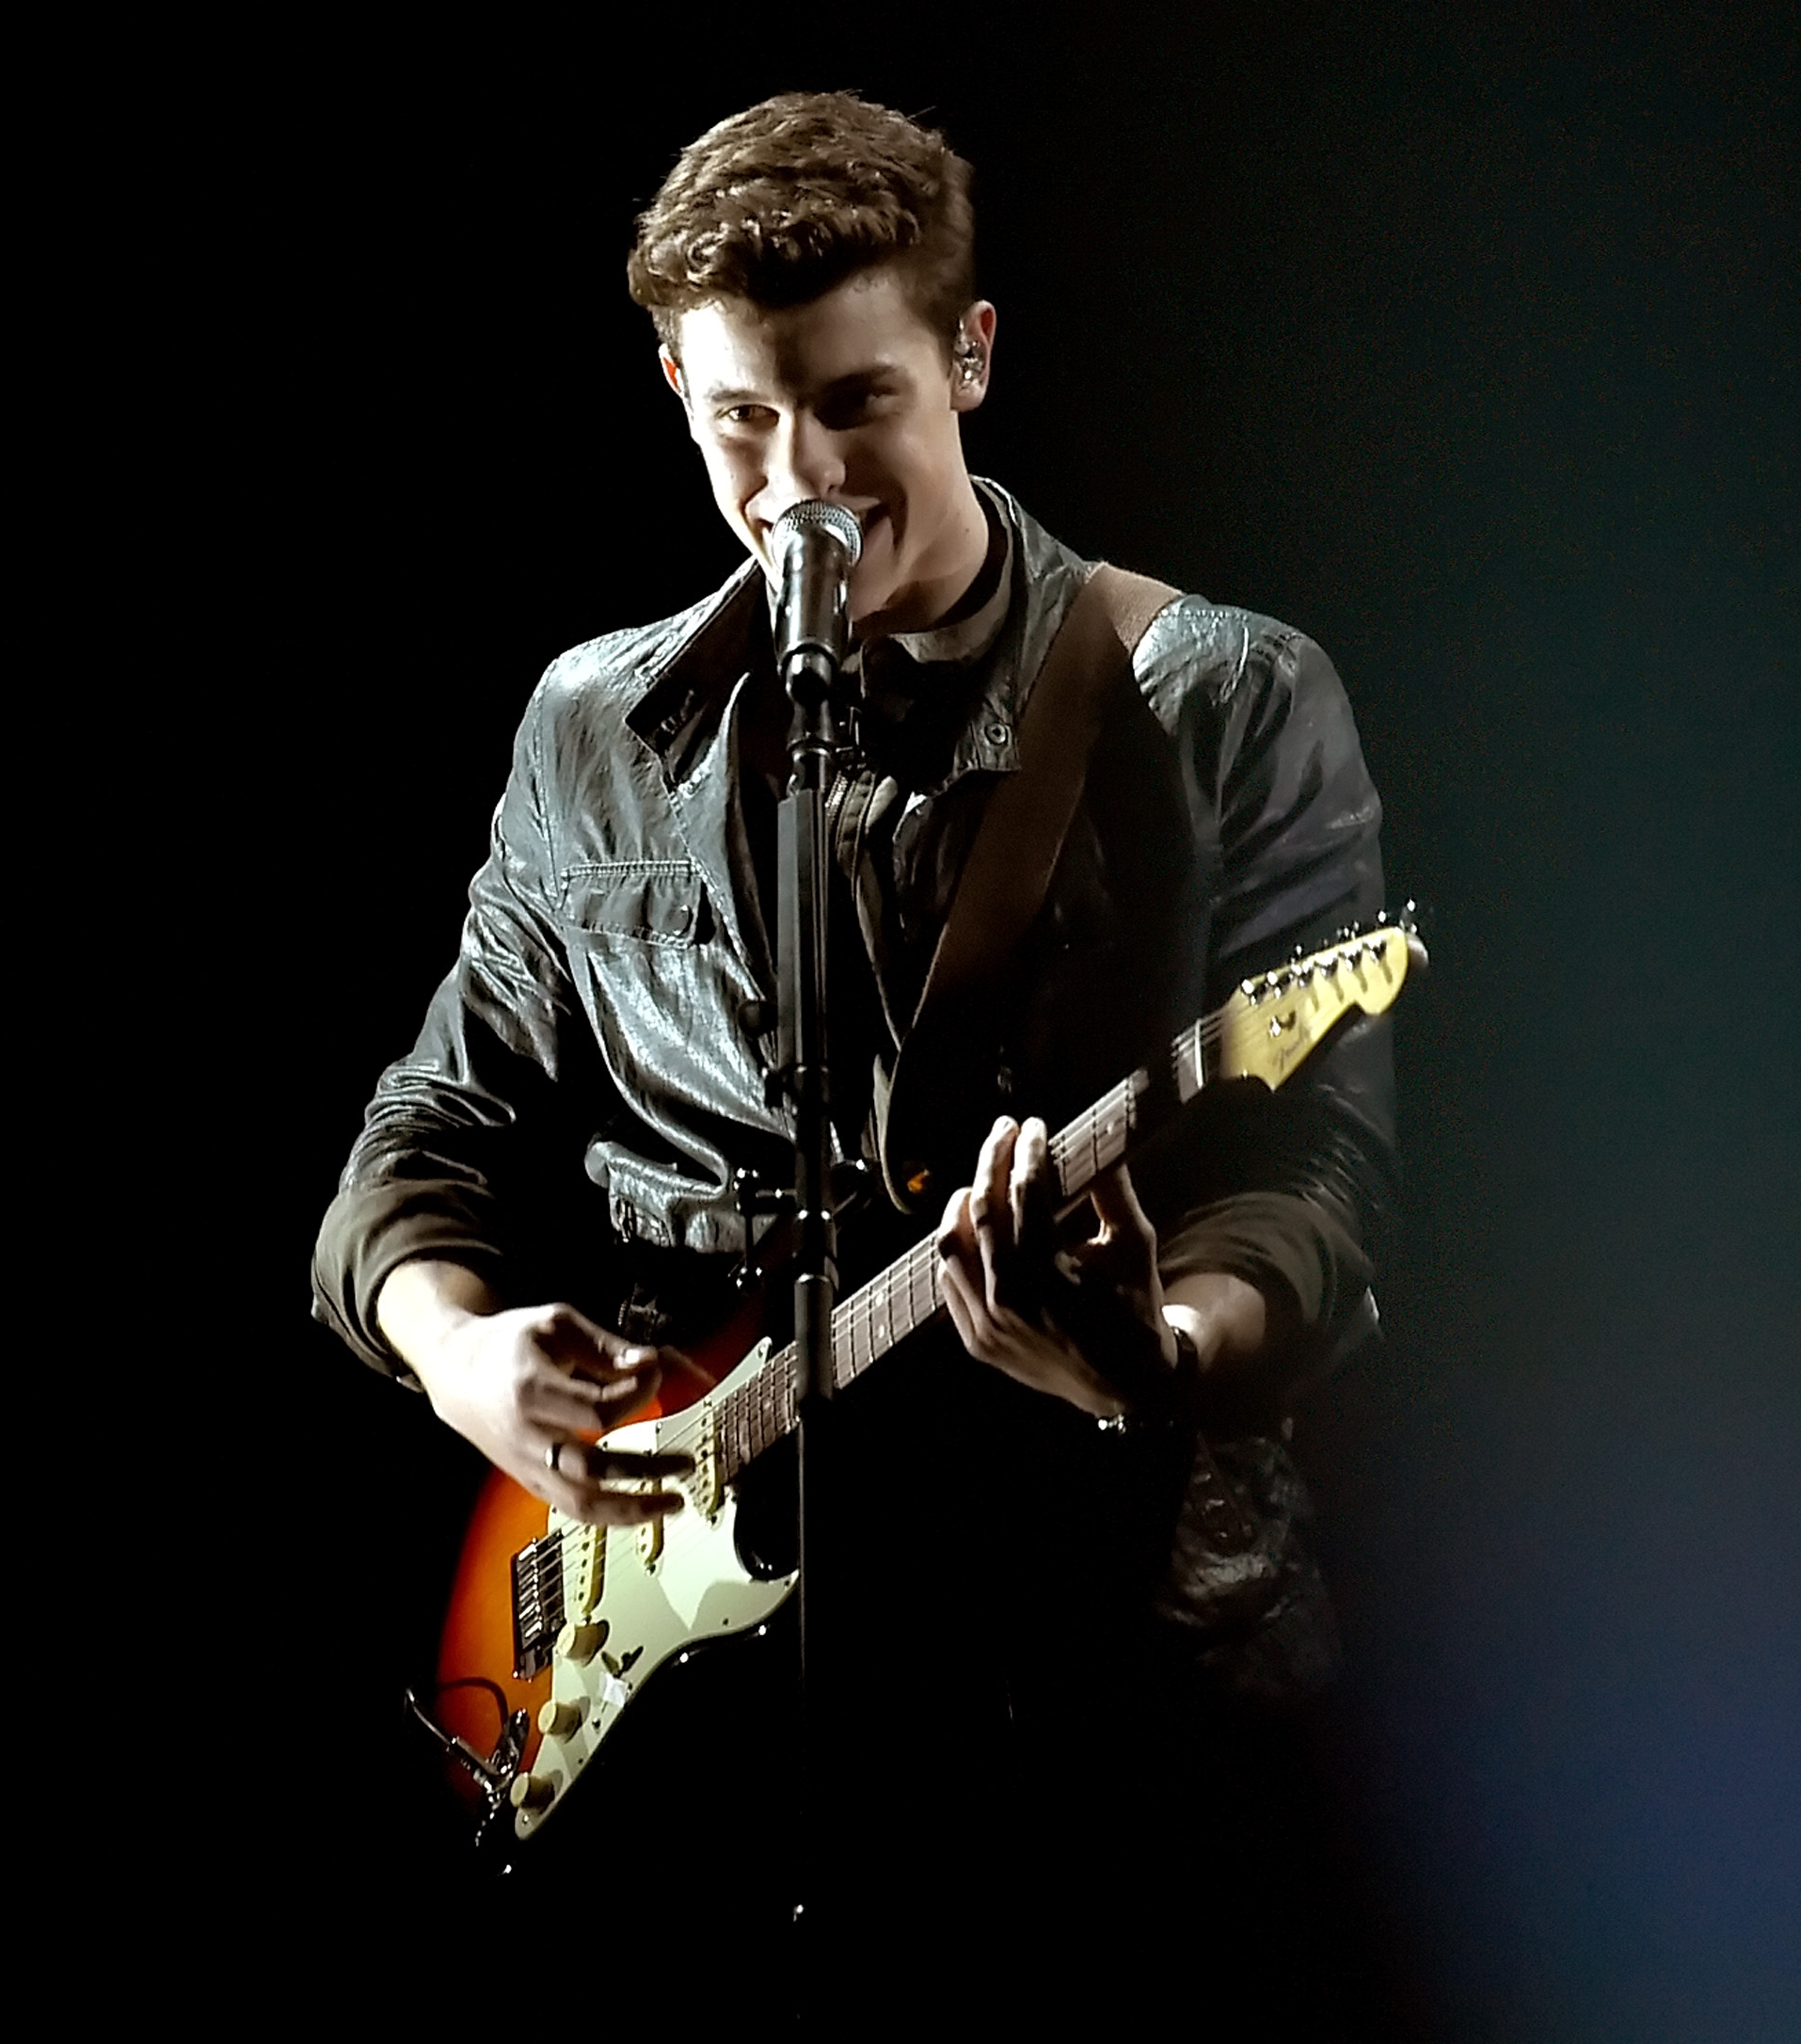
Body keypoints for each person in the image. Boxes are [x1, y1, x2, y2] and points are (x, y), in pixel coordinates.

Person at [311, 92, 1400, 2014]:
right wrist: (457, 1348)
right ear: (671, 381)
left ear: (968, 359)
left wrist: (1156, 1349)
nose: (798, 474)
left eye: (856, 403)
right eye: (740, 415)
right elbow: (428, 1128)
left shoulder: (1212, 695)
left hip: (1088, 1664)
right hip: (695, 1703)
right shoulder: (591, 728)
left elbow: (1313, 1188)